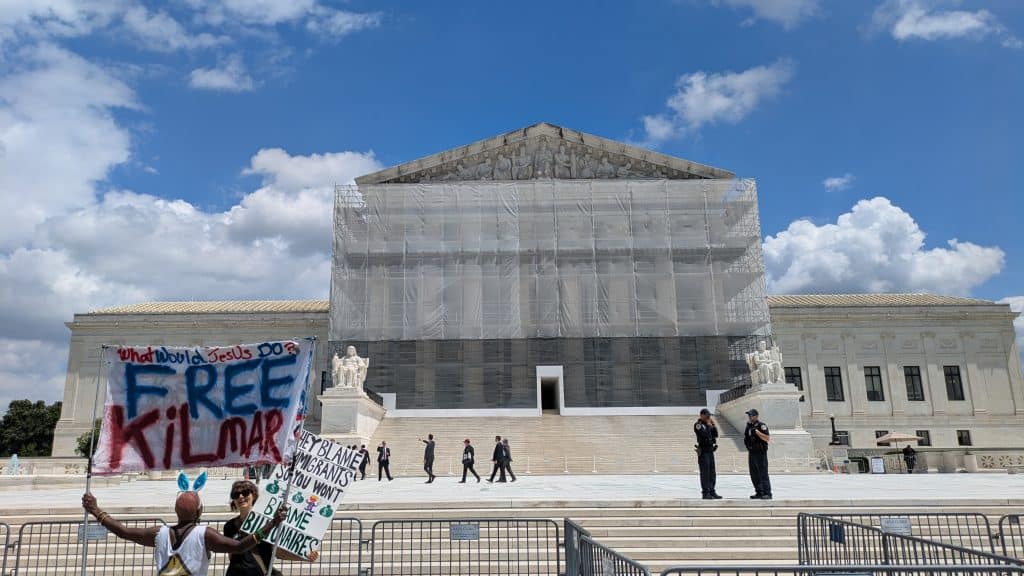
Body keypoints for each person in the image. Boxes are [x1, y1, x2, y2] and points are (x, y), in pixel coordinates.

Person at [81, 489, 285, 576]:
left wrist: (96, 510)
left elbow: (123, 531)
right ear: (200, 511)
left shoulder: (158, 533)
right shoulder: (204, 535)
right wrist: (273, 523)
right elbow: (240, 546)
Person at [223, 480, 318, 575]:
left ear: (254, 496)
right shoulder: (229, 526)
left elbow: (279, 552)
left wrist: (305, 556)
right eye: (236, 495)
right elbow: (231, 556)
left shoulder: (267, 523)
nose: (240, 497)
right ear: (234, 500)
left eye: (245, 493)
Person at [743, 409, 772, 500]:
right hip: (752, 452)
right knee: (754, 473)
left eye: (751, 415)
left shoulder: (761, 426)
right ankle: (759, 492)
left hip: (760, 453)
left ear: (756, 416)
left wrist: (757, 432)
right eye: (749, 415)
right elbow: (746, 438)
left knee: (763, 473)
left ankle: (767, 492)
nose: (750, 417)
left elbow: (767, 438)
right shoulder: (748, 426)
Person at [694, 408, 722, 500]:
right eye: (706, 416)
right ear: (701, 415)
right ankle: (706, 492)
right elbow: (704, 434)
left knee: (712, 473)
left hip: (710, 451)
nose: (708, 418)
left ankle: (712, 491)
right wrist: (709, 426)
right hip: (703, 451)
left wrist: (713, 425)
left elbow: (716, 434)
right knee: (705, 473)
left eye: (709, 416)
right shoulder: (698, 425)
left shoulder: (708, 424)